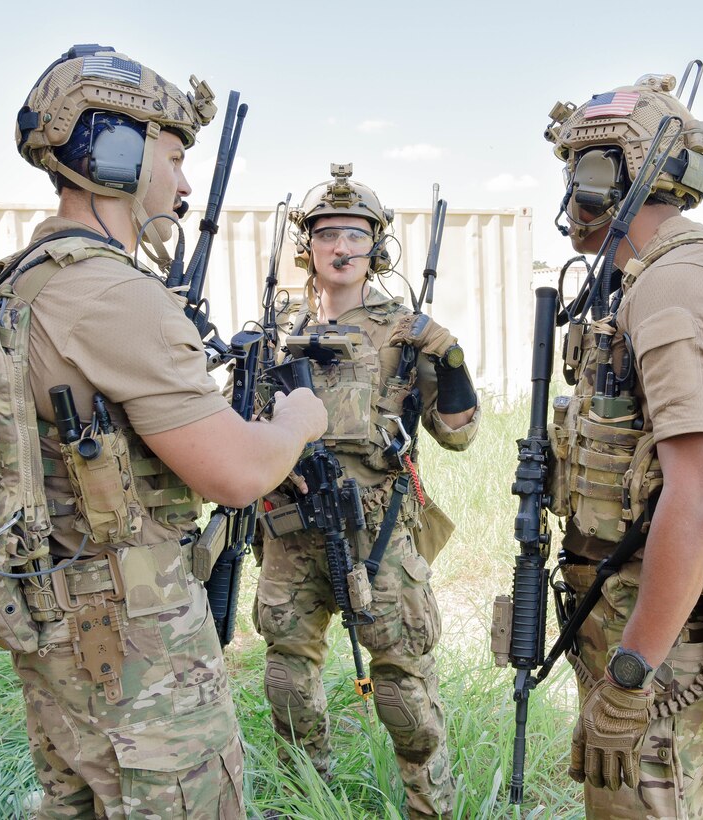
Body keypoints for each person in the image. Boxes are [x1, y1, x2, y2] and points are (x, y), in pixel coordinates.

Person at [0, 45, 326, 817]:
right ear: (112, 150)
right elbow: (235, 473)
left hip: (56, 620)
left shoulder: (23, 279)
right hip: (133, 639)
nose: (181, 183)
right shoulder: (111, 293)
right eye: (172, 157)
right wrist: (296, 423)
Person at [543, 72, 703, 817]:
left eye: (578, 169)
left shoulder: (681, 286)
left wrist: (631, 676)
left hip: (659, 641)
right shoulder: (640, 281)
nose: (571, 192)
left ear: (606, 174)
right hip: (626, 611)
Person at [252, 164, 479, 819]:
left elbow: (458, 435)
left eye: (354, 234)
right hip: (293, 529)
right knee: (288, 676)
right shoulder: (276, 331)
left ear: (376, 247)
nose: (340, 246)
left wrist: (452, 358)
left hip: (378, 529)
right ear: (309, 248)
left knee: (404, 687)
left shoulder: (406, 331)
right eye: (327, 235)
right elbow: (242, 423)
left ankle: (429, 806)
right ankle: (305, 800)